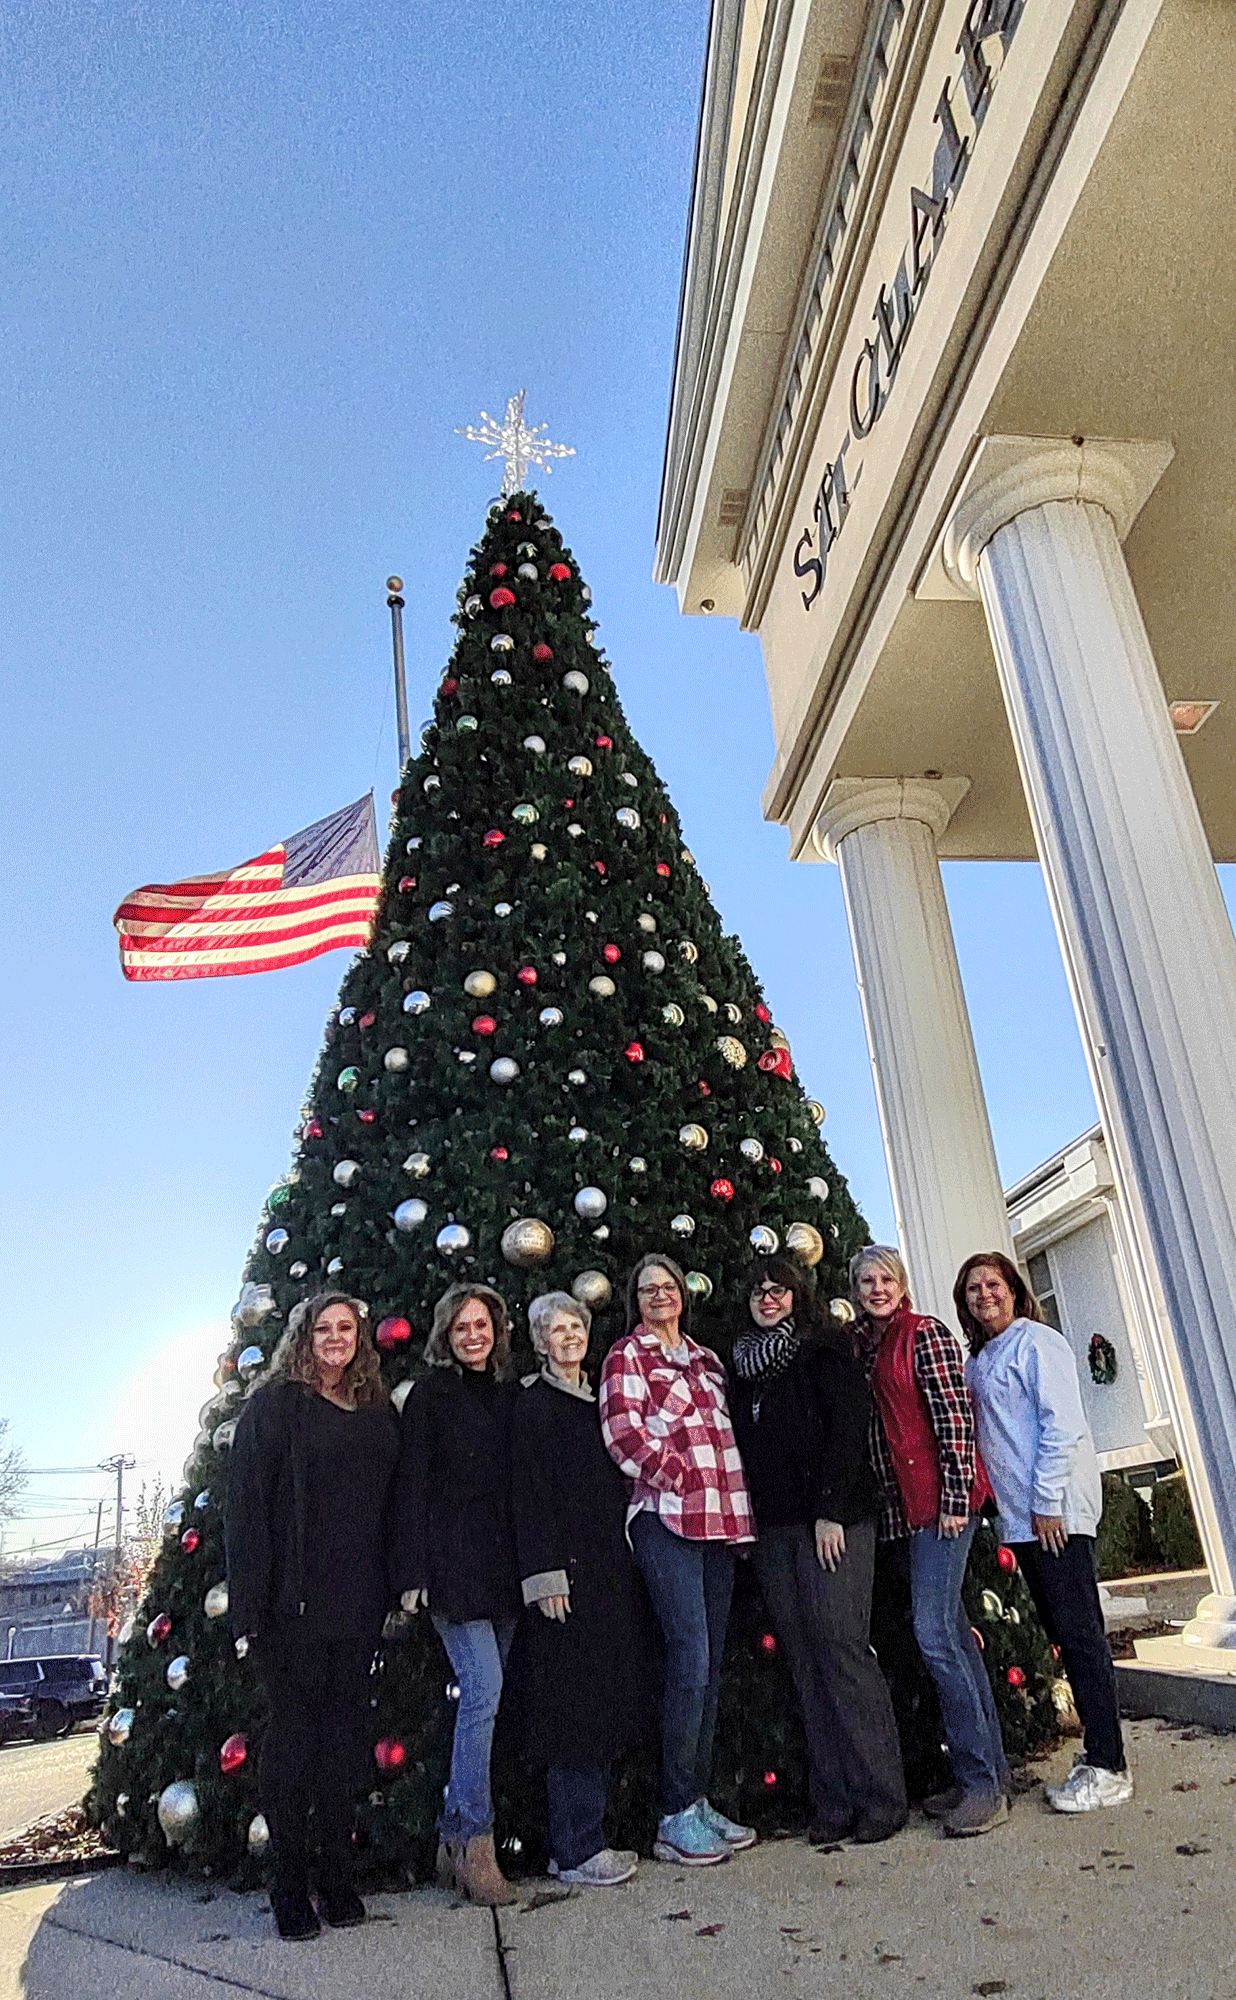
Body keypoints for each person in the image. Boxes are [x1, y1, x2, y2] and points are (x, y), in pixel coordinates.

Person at [226, 1291, 400, 1941]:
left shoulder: (375, 1409)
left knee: (345, 1744)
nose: (334, 1338)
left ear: (359, 1337)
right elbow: (245, 1511)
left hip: (357, 1605)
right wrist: (249, 1608)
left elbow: (392, 1502)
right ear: (303, 1336)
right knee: (294, 1742)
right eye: (322, 1328)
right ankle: (288, 1885)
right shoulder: (274, 1409)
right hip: (291, 1609)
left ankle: (336, 1875)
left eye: (345, 1327)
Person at [728, 1254, 907, 1844]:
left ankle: (880, 1796)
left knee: (842, 1649)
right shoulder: (746, 1368)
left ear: (797, 1294)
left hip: (832, 1524)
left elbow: (849, 1430)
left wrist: (830, 1510)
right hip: (776, 1532)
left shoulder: (822, 1350)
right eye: (759, 1291)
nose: (769, 1299)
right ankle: (832, 1800)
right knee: (804, 1661)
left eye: (779, 1289)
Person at [956, 1250, 1132, 1814]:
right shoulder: (981, 1357)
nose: (985, 1294)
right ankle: (1097, 1752)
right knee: (1065, 1632)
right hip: (1023, 1520)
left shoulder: (1039, 1342)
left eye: (993, 1284)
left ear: (1014, 1289)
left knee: (1081, 1635)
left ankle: (1110, 1765)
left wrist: (1049, 1501)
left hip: (1056, 1516)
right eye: (973, 1288)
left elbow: (1063, 1424)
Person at [599, 1251, 756, 1867]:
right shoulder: (627, 1357)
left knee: (710, 1665)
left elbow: (729, 1435)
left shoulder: (708, 1361)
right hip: (668, 1521)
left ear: (682, 1295)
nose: (660, 1296)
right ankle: (671, 1814)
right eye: (647, 1289)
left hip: (723, 1524)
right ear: (635, 1301)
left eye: (668, 1287)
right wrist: (679, 1476)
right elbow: (623, 1436)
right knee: (688, 1658)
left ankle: (696, 1800)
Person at [851, 1245, 1010, 1839]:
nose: (876, 1287)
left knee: (935, 1635)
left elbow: (955, 1418)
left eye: (886, 1277)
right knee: (952, 1637)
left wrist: (953, 1499)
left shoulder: (925, 1334)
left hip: (941, 1507)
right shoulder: (865, 1346)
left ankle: (980, 1786)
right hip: (905, 1514)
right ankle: (989, 1773)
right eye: (866, 1280)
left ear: (903, 1283)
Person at [392, 1282, 522, 1905]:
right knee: (483, 1694)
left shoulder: (505, 1394)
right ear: (446, 1335)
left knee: (490, 1698)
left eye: (483, 1325)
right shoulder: (430, 1396)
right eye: (462, 1327)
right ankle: (475, 1842)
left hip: (502, 1573)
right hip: (452, 1571)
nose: (474, 1335)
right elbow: (411, 1485)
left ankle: (450, 1838)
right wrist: (412, 1574)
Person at [509, 1292, 645, 1887]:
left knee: (608, 1699)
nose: (567, 1337)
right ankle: (575, 1848)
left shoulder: (604, 1402)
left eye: (575, 1327)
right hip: (564, 1581)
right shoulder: (533, 1407)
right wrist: (544, 1575)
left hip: (611, 1572)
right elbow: (528, 1495)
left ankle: (593, 1838)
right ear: (539, 1342)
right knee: (575, 1710)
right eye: (554, 1330)